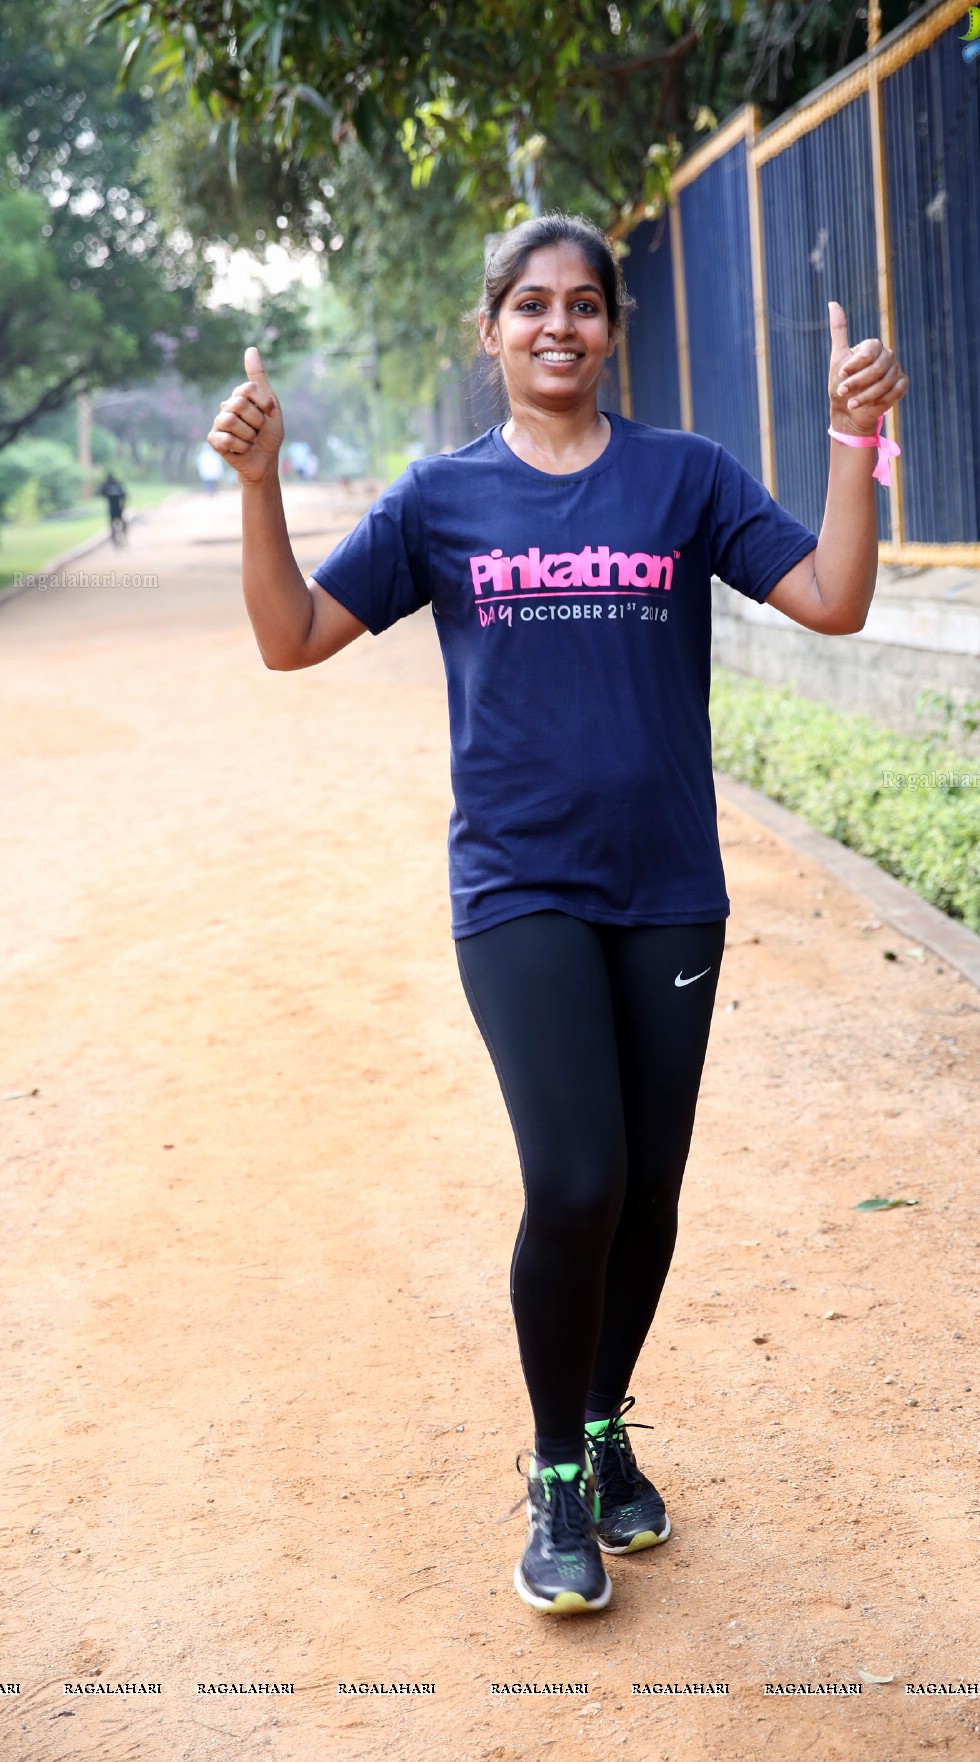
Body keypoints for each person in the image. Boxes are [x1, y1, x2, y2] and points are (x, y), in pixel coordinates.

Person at [205, 212, 907, 1616]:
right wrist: (261, 484)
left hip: (667, 893)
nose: (559, 327)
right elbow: (290, 641)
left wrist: (853, 449)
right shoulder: (440, 500)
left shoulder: (684, 479)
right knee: (576, 1181)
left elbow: (831, 601)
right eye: (531, 306)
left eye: (584, 305)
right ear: (492, 332)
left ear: (611, 331)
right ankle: (552, 1475)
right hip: (518, 888)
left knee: (649, 1192)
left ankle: (602, 1425)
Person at [99, 471, 127, 546]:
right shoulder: (115, 485)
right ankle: (120, 537)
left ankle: (121, 537)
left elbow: (101, 493)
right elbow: (124, 495)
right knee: (120, 523)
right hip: (117, 508)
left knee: (115, 524)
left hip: (114, 508)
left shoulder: (108, 485)